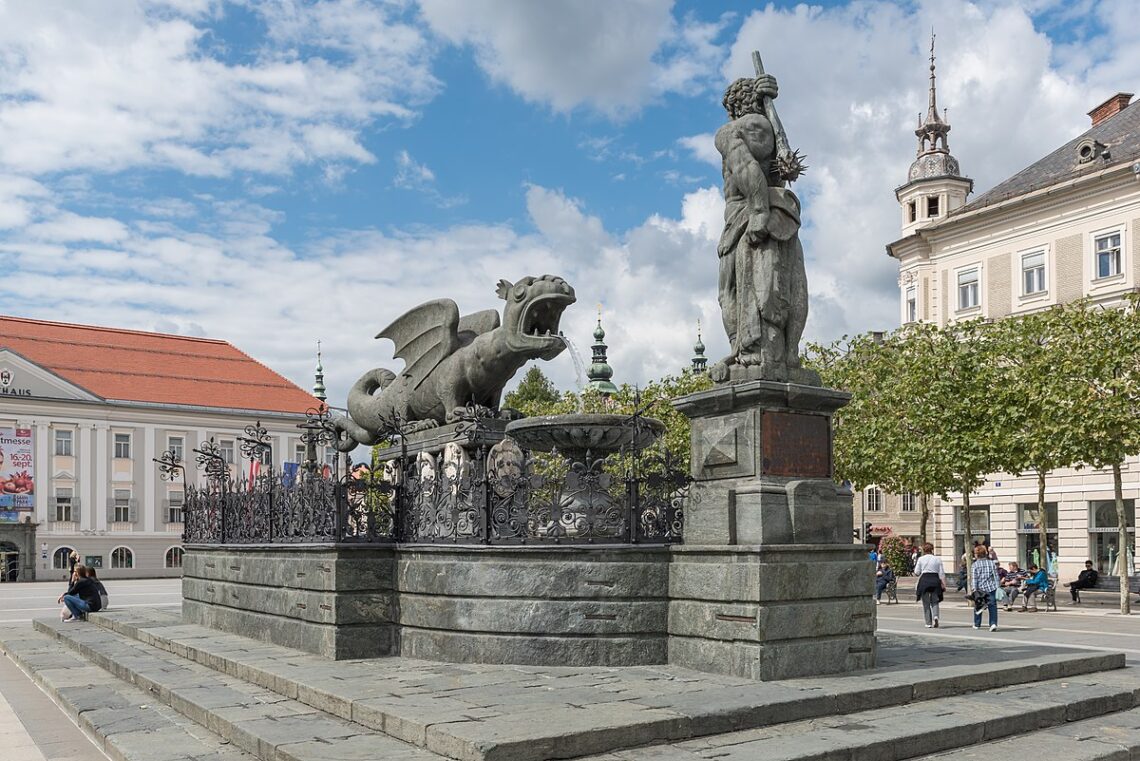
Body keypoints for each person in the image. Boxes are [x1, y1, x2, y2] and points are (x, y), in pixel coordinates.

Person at [711, 72, 812, 384]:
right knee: (790, 285)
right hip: (783, 216)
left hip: (745, 219)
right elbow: (783, 169)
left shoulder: (731, 131)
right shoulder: (770, 132)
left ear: (732, 106)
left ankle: (746, 351)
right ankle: (789, 352)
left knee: (731, 290)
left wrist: (757, 212)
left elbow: (745, 168)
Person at [913, 543, 946, 628]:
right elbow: (941, 573)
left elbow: (916, 572)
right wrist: (943, 584)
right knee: (935, 600)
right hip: (935, 580)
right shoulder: (937, 559)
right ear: (932, 549)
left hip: (924, 580)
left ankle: (928, 622)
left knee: (926, 602)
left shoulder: (921, 559)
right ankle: (936, 616)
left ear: (924, 550)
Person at [970, 545, 1000, 631]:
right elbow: (996, 576)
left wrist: (974, 589)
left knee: (978, 605)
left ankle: (977, 624)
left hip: (980, 589)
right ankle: (993, 623)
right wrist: (997, 586)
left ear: (977, 555)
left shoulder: (975, 565)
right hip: (991, 587)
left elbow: (974, 579)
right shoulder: (991, 563)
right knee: (992, 606)